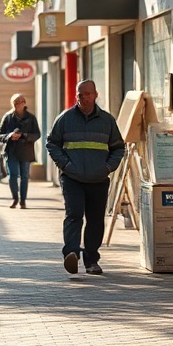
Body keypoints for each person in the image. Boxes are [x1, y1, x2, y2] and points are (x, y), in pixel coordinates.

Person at [46, 80, 124, 276]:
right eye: (80, 94)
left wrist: (107, 167)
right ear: (76, 96)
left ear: (95, 95)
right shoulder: (65, 118)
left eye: (88, 94)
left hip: (98, 179)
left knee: (96, 220)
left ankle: (91, 260)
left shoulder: (107, 120)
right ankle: (71, 254)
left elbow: (118, 147)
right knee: (74, 215)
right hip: (72, 178)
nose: (84, 98)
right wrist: (65, 165)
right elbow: (52, 143)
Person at [0, 93, 41, 209]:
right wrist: (10, 136)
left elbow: (37, 134)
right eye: (15, 102)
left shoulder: (31, 118)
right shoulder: (8, 117)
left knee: (25, 176)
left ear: (24, 103)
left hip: (25, 151)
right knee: (12, 175)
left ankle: (23, 200)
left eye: (20, 102)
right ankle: (15, 198)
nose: (18, 104)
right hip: (11, 150)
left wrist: (24, 136)